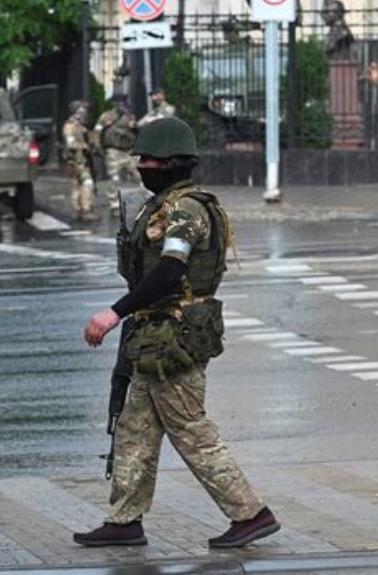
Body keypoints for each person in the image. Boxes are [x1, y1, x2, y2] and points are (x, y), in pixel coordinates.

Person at [74, 117, 280, 550]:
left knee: (190, 429)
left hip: (175, 336)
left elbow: (170, 271)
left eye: (147, 160)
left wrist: (113, 314)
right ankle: (125, 519)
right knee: (134, 428)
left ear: (171, 163)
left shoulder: (185, 209)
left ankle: (250, 514)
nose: (141, 166)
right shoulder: (166, 203)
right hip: (155, 334)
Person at [94, 94, 141, 215]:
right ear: (114, 103)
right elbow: (97, 131)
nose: (121, 104)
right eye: (118, 102)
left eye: (123, 102)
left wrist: (134, 127)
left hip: (128, 152)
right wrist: (98, 148)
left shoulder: (129, 116)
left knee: (140, 175)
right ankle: (114, 205)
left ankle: (148, 202)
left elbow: (137, 131)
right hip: (113, 151)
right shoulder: (106, 116)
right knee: (114, 178)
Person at [62, 100, 96, 221]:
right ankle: (85, 210)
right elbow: (71, 144)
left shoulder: (80, 126)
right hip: (76, 160)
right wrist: (84, 146)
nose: (83, 114)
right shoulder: (70, 126)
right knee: (87, 183)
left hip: (82, 159)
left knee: (78, 185)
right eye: (81, 111)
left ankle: (78, 209)